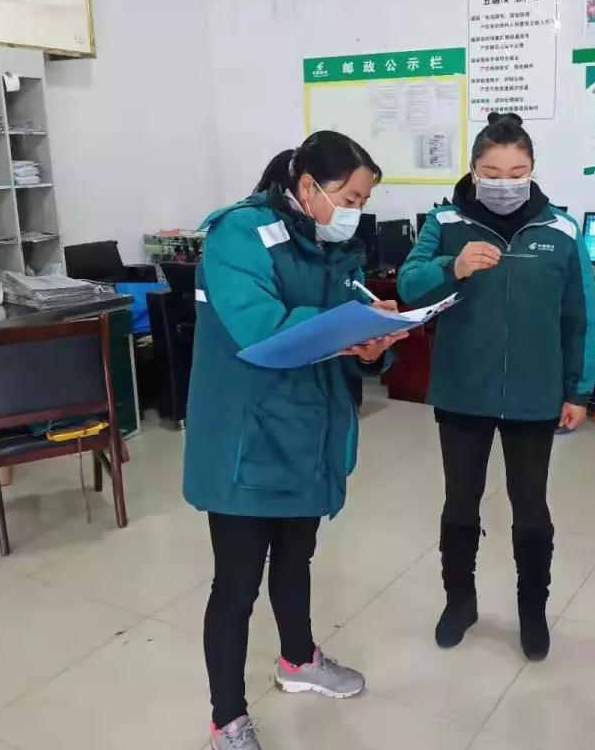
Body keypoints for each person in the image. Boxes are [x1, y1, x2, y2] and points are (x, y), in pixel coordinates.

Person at [184, 131, 405, 750]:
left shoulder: (332, 244)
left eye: (363, 201)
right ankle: (227, 719)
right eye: (350, 198)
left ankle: (298, 660)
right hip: (247, 438)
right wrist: (347, 329)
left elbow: (351, 316)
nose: (355, 211)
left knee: (295, 558)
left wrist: (375, 340)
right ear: (308, 187)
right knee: (236, 584)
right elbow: (263, 330)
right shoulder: (238, 235)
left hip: (310, 431)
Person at [398, 112, 595, 661]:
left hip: (535, 397)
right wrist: (453, 266)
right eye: (492, 173)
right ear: (473, 170)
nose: (505, 183)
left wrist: (578, 391)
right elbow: (409, 286)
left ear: (532, 170)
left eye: (517, 172)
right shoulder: (445, 222)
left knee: (530, 509)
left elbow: (580, 316)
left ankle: (532, 609)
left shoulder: (561, 230)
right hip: (463, 390)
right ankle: (459, 603)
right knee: (460, 504)